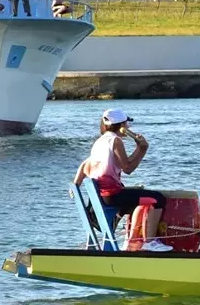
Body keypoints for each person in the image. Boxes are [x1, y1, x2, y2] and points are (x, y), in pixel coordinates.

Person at [71, 108, 172, 252]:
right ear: (122, 125)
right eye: (126, 124)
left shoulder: (100, 142)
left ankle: (132, 241)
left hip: (102, 195)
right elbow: (128, 168)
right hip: (112, 196)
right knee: (158, 199)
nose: (129, 127)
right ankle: (150, 242)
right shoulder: (115, 140)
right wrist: (142, 149)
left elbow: (84, 165)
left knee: (135, 199)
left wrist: (76, 185)